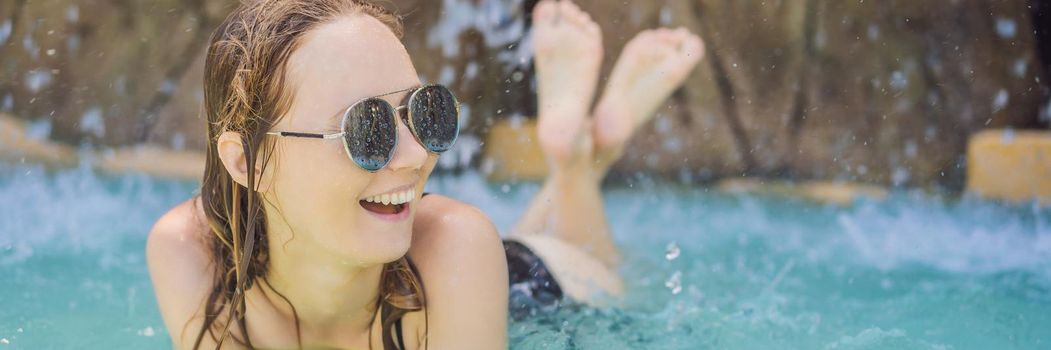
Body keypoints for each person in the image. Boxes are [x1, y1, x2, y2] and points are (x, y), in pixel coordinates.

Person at [146, 0, 703, 349]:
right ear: (245, 161)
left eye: (423, 113)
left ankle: (574, 158)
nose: (415, 157)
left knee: (610, 279)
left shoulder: (458, 242)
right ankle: (579, 149)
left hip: (528, 286)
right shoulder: (190, 254)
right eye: (367, 130)